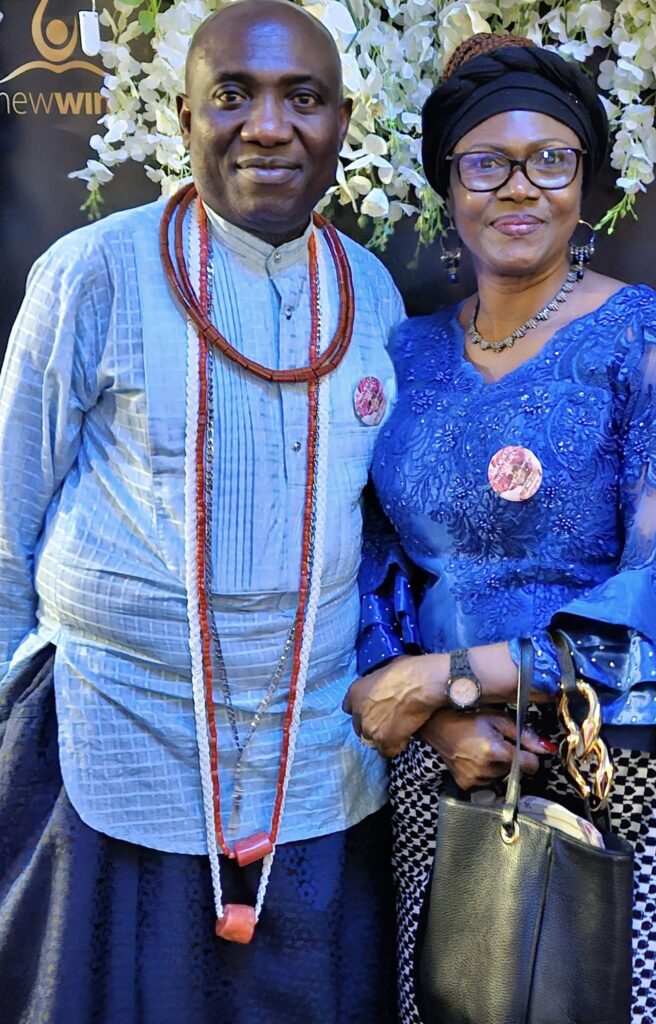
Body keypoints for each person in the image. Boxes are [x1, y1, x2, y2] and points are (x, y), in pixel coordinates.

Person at [344, 33, 656, 1024]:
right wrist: (444, 719)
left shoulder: (655, 338)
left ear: (585, 180)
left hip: (632, 777)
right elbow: (367, 571)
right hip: (453, 784)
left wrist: (458, 674)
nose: (519, 189)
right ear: (448, 182)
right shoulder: (402, 354)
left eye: (551, 160)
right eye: (487, 162)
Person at [0, 2, 404, 1021]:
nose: (267, 126)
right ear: (184, 117)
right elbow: (5, 519)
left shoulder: (371, 294)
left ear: (342, 124)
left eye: (301, 99)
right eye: (234, 94)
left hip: (311, 768)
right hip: (106, 750)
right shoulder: (92, 270)